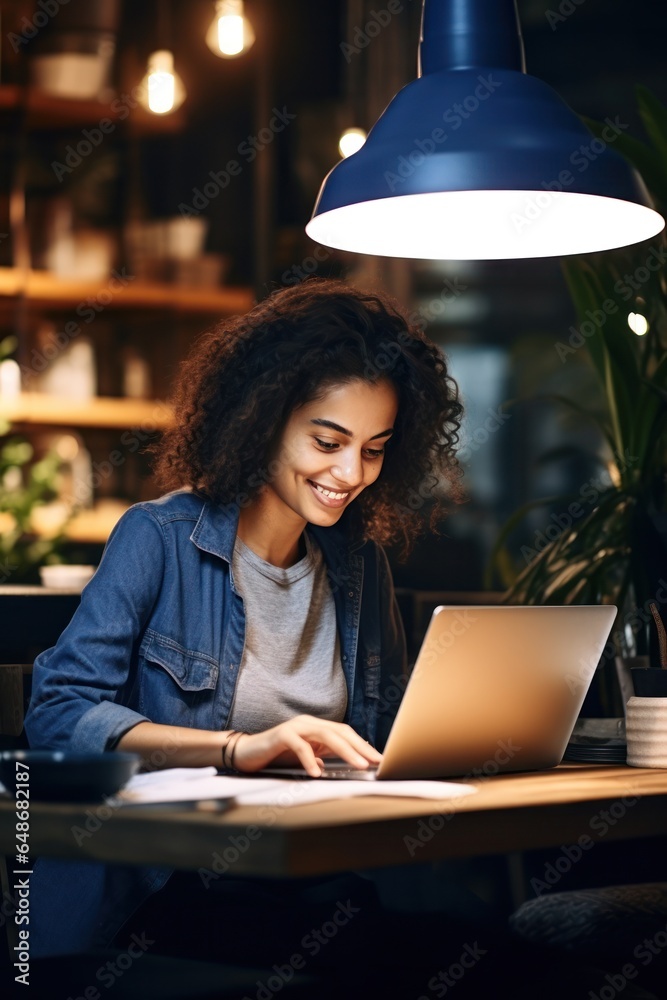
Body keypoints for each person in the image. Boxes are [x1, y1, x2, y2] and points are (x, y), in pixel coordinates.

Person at [23, 279, 576, 997]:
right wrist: (237, 749)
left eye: (374, 450)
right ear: (261, 419)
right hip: (169, 896)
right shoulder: (157, 538)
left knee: (509, 957)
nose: (350, 474)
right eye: (327, 440)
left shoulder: (358, 567)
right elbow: (57, 715)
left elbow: (393, 737)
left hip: (316, 881)